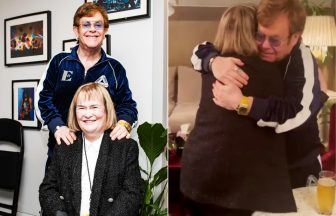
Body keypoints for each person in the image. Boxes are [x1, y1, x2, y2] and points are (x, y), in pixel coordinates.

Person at [191, 0, 328, 188]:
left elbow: (295, 114)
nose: (264, 45)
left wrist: (242, 102)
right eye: (259, 35)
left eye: (274, 40)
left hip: (299, 165)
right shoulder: (253, 58)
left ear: (295, 38)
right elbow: (200, 49)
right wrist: (213, 61)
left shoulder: (302, 61)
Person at [180, 5, 296, 215]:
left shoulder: (210, 68)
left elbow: (200, 50)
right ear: (254, 33)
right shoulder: (270, 72)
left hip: (197, 171)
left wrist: (213, 61)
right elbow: (285, 116)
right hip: (241, 187)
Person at [35, 3, 137, 169]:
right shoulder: (59, 62)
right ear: (76, 31)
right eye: (86, 25)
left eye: (98, 25)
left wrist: (123, 123)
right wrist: (57, 126)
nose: (92, 30)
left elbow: (127, 105)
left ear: (105, 31)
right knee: (53, 193)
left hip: (102, 153)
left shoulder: (115, 68)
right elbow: (43, 99)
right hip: (62, 148)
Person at [39, 83, 143, 216]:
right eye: (81, 108)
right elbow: (47, 189)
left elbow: (132, 194)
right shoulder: (64, 146)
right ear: (74, 112)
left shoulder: (126, 147)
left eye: (94, 107)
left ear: (106, 110)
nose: (87, 114)